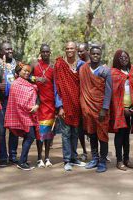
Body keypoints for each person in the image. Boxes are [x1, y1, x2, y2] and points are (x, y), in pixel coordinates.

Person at [54, 41, 86, 171]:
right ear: (65, 50)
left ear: (76, 49)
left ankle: (74, 157)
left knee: (75, 132)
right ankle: (67, 160)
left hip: (77, 104)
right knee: (66, 133)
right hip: (64, 104)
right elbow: (56, 86)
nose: (69, 50)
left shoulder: (82, 65)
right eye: (67, 48)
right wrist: (59, 106)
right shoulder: (59, 65)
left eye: (72, 48)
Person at [80, 46, 112, 173]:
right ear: (89, 54)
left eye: (98, 54)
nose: (95, 56)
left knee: (102, 135)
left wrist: (104, 108)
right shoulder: (83, 69)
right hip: (88, 108)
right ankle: (94, 158)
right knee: (91, 133)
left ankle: (103, 161)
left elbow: (109, 91)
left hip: (100, 109)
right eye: (93, 54)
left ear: (101, 55)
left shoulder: (105, 71)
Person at [5, 64, 40, 170]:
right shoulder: (16, 84)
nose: (26, 73)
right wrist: (31, 107)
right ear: (19, 71)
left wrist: (37, 105)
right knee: (30, 136)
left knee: (28, 137)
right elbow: (20, 102)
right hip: (21, 114)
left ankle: (23, 161)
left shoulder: (29, 83)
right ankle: (21, 162)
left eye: (28, 71)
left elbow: (36, 95)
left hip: (29, 113)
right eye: (24, 70)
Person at [0, 42, 18, 167]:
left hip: (15, 103)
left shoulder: (17, 65)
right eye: (7, 49)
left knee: (14, 130)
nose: (10, 51)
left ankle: (13, 155)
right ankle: (2, 158)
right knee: (1, 131)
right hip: (1, 103)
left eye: (11, 48)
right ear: (1, 52)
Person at [109, 50, 133, 171]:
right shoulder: (113, 73)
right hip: (119, 109)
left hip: (131, 109)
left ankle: (127, 159)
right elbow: (112, 94)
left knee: (127, 136)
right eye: (121, 58)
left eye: (126, 57)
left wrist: (132, 107)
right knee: (119, 135)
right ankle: (119, 160)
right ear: (117, 59)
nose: (123, 59)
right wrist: (122, 108)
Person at [33, 44, 56, 168]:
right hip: (39, 103)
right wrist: (36, 78)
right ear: (40, 52)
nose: (45, 54)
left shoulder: (53, 67)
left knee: (48, 133)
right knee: (40, 132)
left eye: (47, 52)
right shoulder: (34, 65)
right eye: (43, 52)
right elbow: (25, 76)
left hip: (50, 103)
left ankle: (47, 157)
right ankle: (39, 158)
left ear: (50, 52)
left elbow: (56, 85)